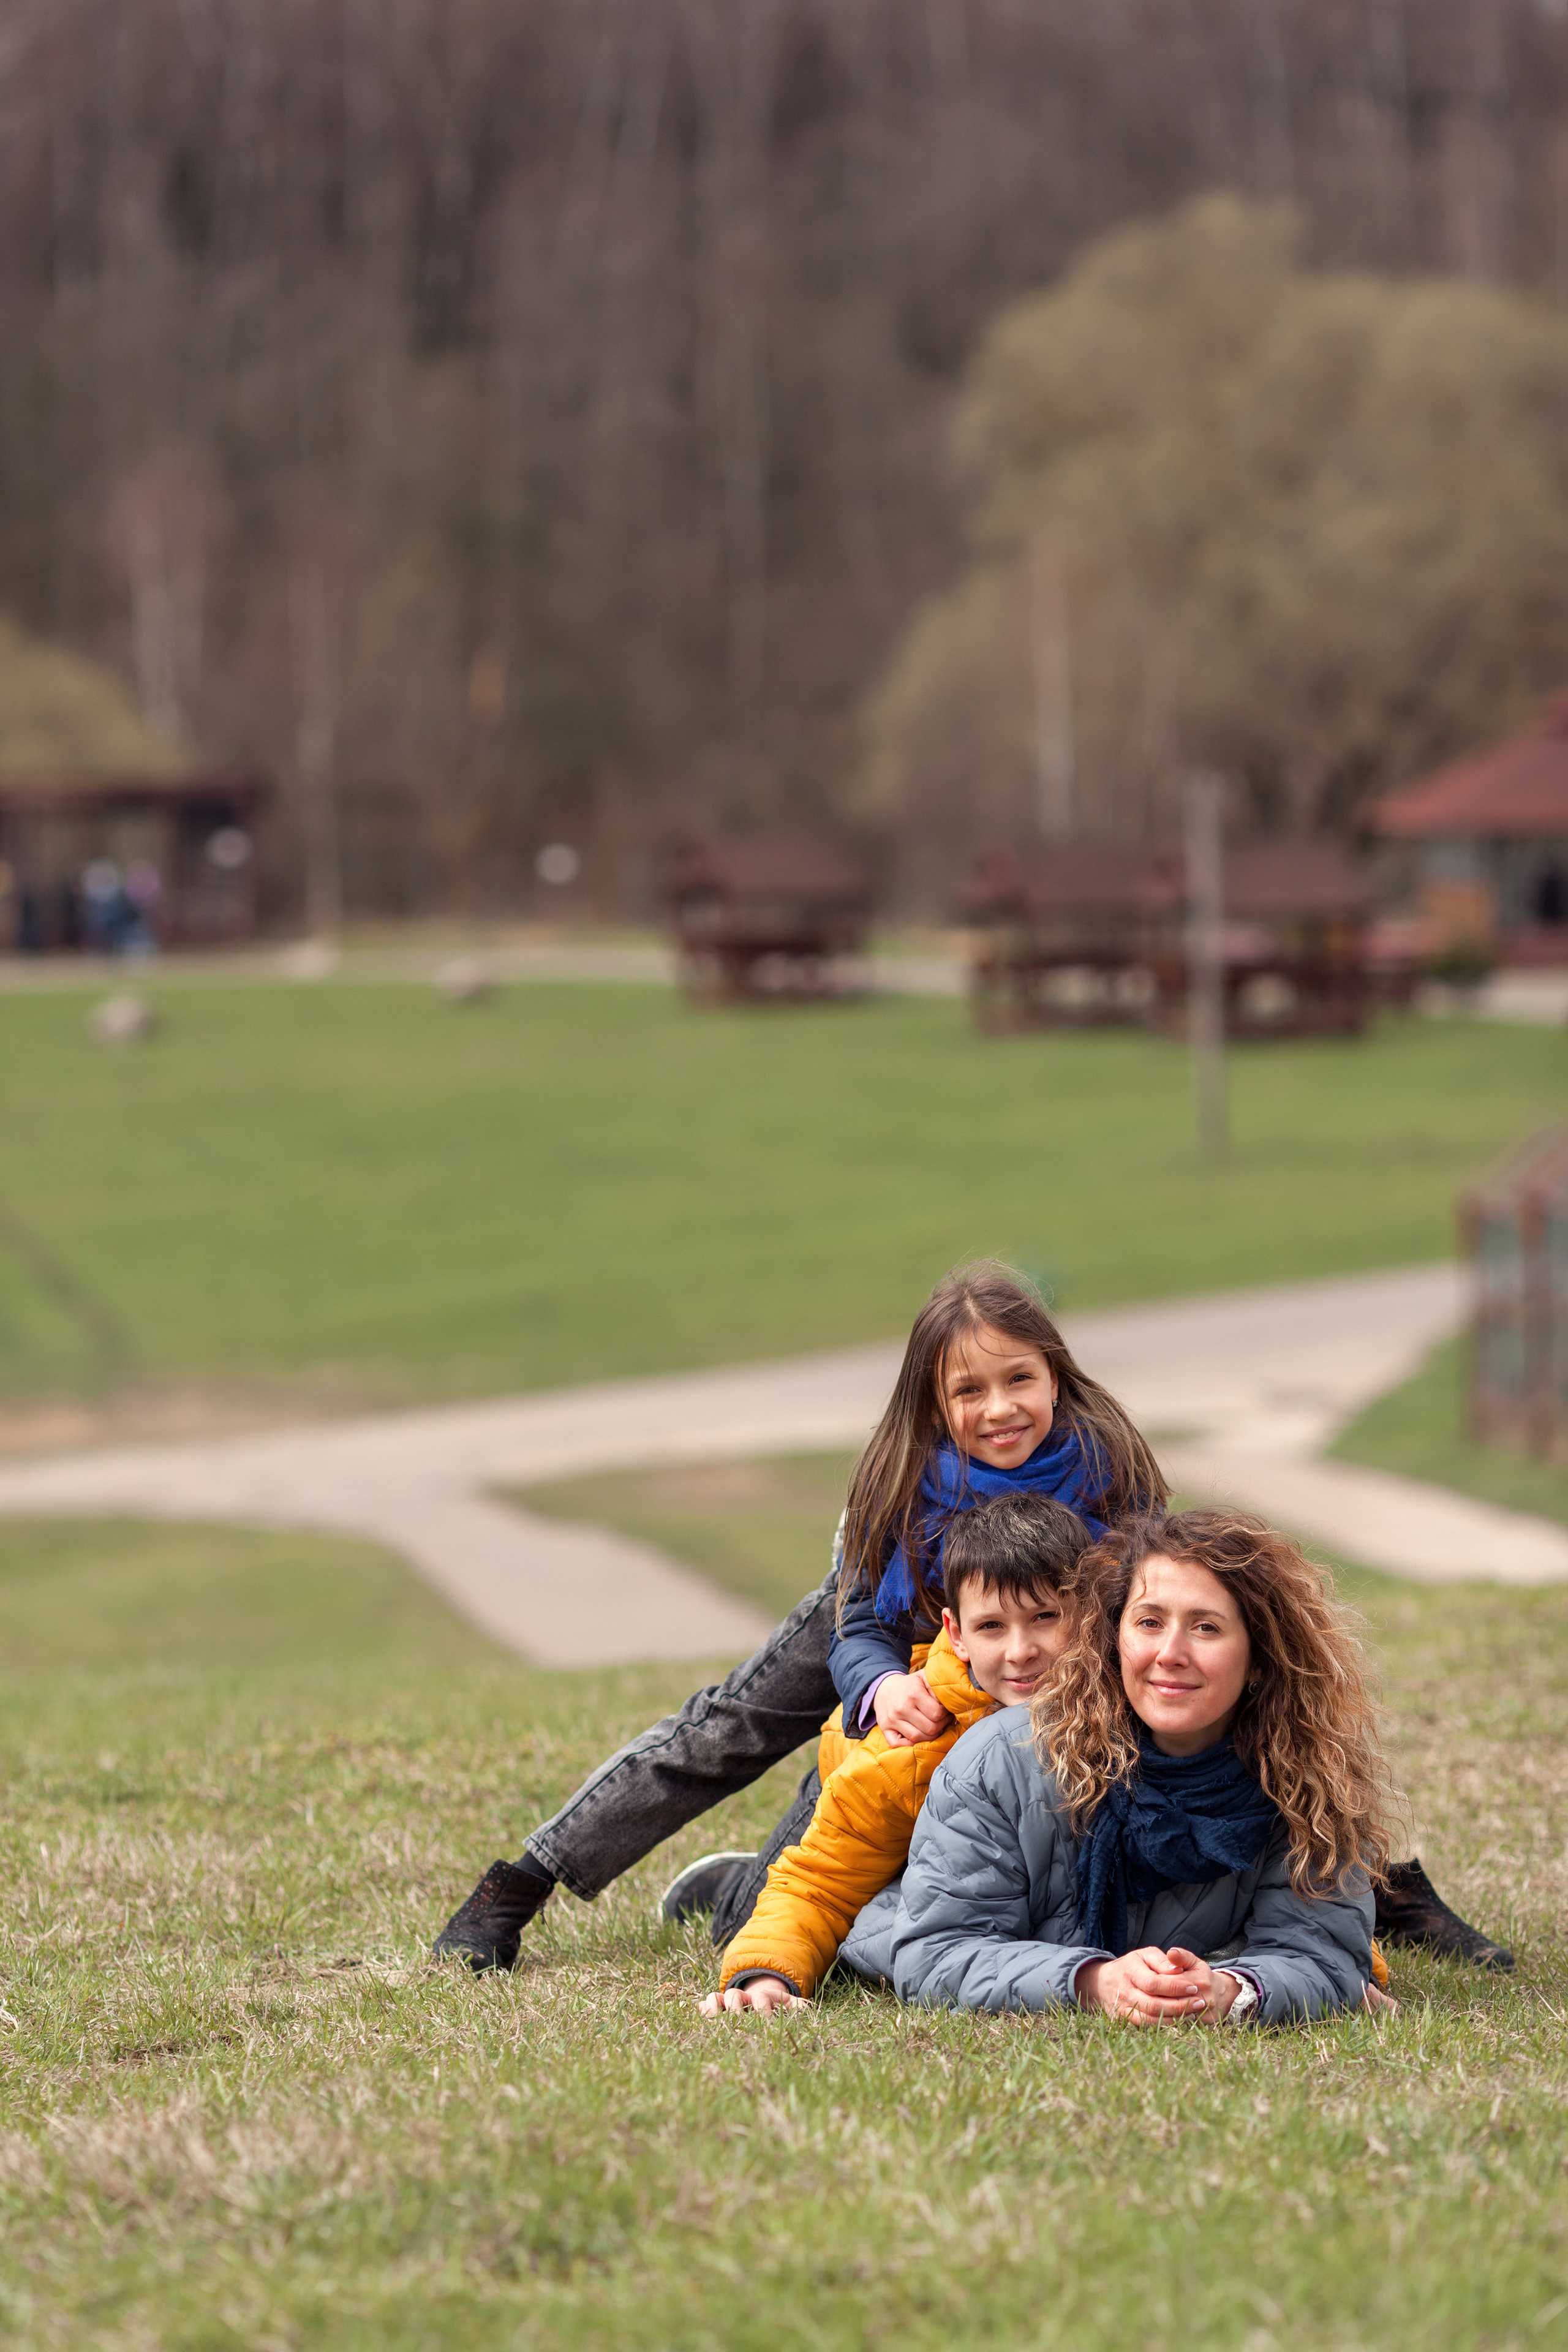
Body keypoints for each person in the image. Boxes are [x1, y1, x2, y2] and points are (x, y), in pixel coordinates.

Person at [429, 1264, 1512, 1975]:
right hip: (905, 1627)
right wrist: (879, 1684)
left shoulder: (1109, 1467)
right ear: (932, 1405)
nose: (999, 1409)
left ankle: (1381, 1886)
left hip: (1044, 1632)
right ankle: (524, 1883)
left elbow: (1160, 1598)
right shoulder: (901, 1485)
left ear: (1056, 1378)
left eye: (1019, 1382)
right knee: (762, 1743)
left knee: (1241, 1698)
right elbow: (858, 1628)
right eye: (969, 1393)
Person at [891, 1510, 1395, 2022]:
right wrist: (1092, 1981)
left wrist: (1230, 1990)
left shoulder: (1305, 1777)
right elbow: (933, 1953)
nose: (1170, 1653)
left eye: (1206, 1627)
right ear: (1114, 1636)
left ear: (1259, 1656)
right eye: (1149, 1622)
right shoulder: (1001, 1761)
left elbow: (1324, 1958)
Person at [699, 1491, 1092, 2016]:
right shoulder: (908, 1752)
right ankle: (725, 1884)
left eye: (1045, 1617)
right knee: (859, 1922)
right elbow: (823, 1882)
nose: (1020, 1651)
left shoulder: (1123, 1698)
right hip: (874, 1831)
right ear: (956, 1635)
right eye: (992, 1626)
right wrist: (768, 1979)